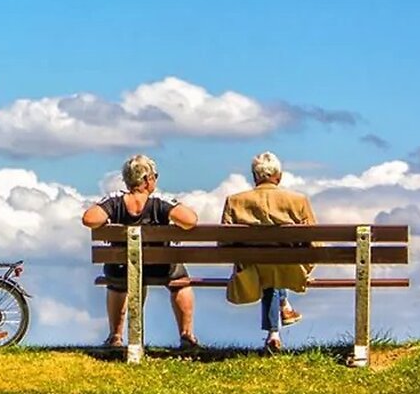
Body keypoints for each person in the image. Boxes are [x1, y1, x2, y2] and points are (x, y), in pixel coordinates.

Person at [82, 153, 200, 349]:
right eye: (155, 176)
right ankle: (186, 335)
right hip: (159, 268)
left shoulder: (115, 201)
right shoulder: (159, 201)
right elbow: (190, 220)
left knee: (117, 282)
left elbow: (89, 219)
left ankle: (116, 336)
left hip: (121, 268)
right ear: (147, 179)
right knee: (181, 282)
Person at [220, 150, 316, 353]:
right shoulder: (297, 201)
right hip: (289, 270)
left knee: (266, 267)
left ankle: (274, 331)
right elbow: (314, 243)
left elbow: (223, 243)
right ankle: (281, 315)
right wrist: (306, 267)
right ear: (279, 177)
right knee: (275, 266)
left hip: (251, 271)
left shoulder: (235, 201)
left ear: (255, 176)